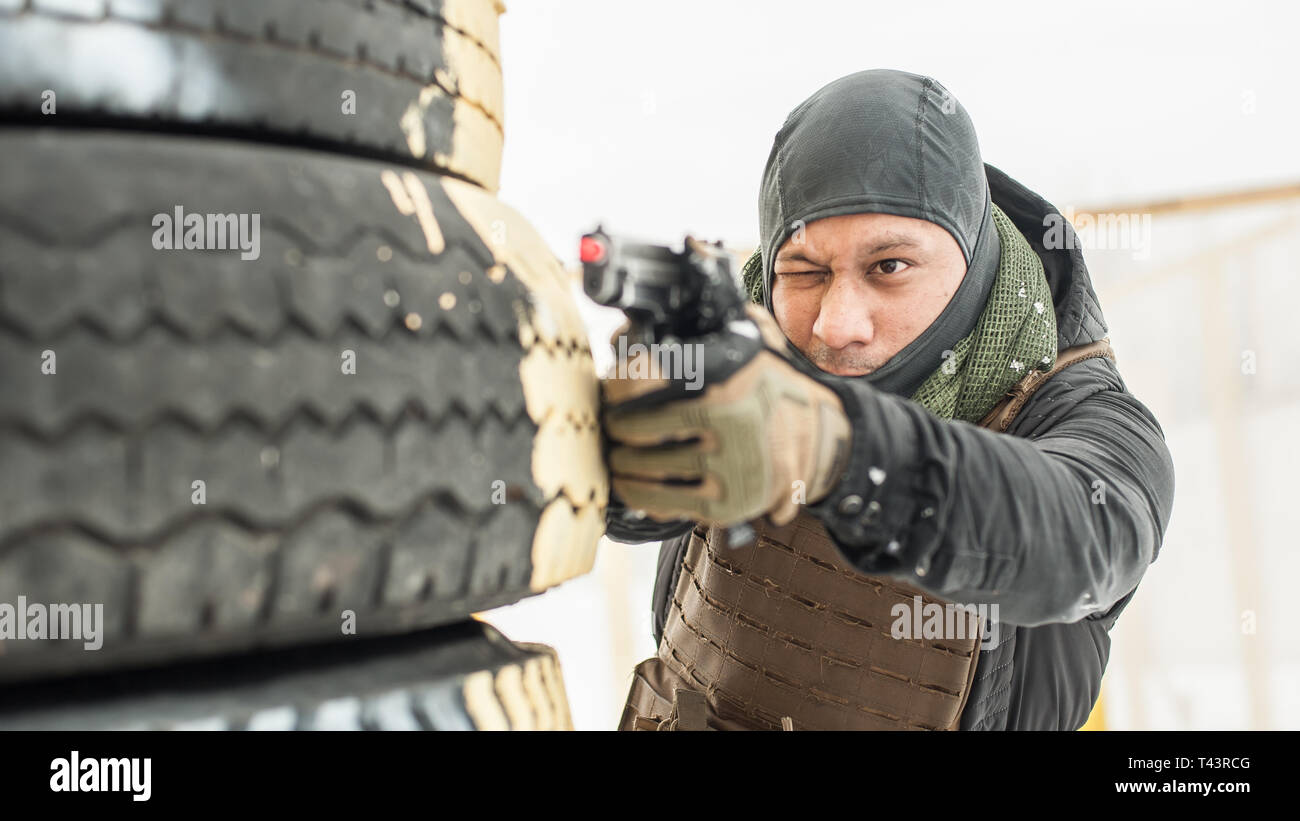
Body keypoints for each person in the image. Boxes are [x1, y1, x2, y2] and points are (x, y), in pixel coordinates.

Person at [602, 69, 1176, 731]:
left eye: (890, 267)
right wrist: (628, 453)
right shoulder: (748, 355)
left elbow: (1083, 538)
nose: (837, 323)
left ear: (974, 263)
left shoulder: (1087, 418)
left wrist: (836, 451)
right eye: (806, 272)